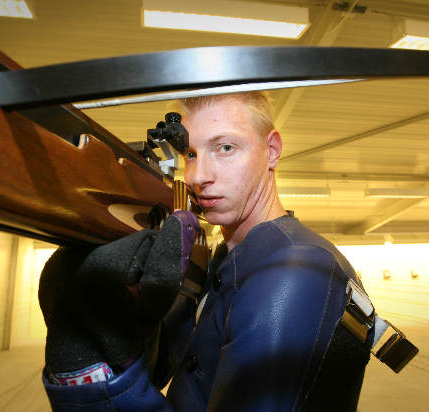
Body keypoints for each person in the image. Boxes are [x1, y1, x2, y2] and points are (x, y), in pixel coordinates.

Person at [39, 92, 372, 411]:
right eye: (192, 154)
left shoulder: (290, 275)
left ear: (271, 151)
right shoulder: (231, 257)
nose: (198, 177)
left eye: (225, 147)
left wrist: (92, 377)